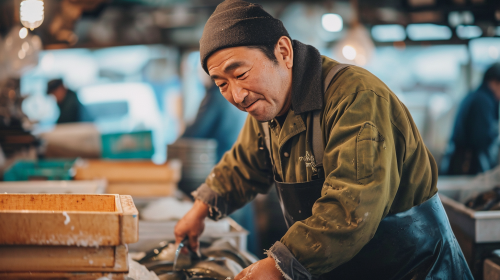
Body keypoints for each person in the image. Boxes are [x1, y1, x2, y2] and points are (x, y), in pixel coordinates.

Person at [174, 1, 473, 279]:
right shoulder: (268, 108)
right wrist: (199, 211)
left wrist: (279, 264)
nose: (236, 95)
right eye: (222, 84)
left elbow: (350, 209)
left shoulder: (357, 99)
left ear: (283, 52)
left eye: (240, 73)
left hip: (416, 270)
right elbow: (244, 165)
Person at [441, 63, 500, 175]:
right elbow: (480, 139)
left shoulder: (474, 95)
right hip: (467, 165)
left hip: (457, 161)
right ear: (494, 83)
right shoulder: (483, 101)